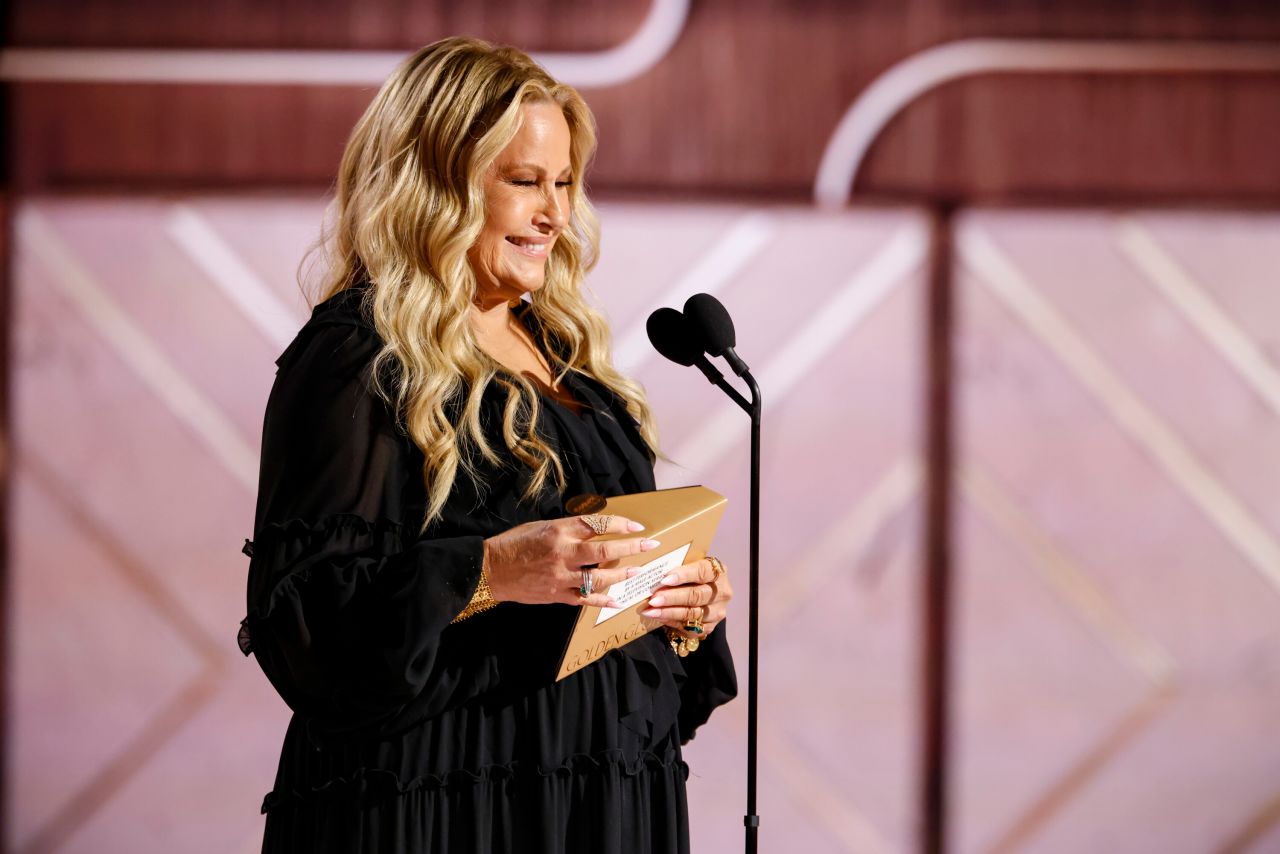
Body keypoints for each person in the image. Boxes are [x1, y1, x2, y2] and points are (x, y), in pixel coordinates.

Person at [239, 36, 737, 853]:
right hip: (440, 804)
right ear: (439, 184)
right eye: (526, 182)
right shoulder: (356, 359)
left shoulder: (577, 370)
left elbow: (609, 622)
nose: (555, 214)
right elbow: (310, 630)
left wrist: (682, 612)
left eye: (566, 184)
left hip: (600, 797)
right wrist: (494, 569)